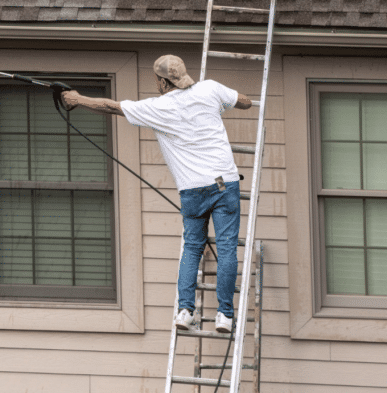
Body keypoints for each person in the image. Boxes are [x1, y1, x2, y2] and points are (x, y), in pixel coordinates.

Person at [62, 55, 253, 333]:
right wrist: (228, 103)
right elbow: (245, 102)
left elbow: (110, 106)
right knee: (226, 250)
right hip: (225, 182)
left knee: (192, 248)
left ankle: (185, 311)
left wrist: (78, 99)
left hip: (192, 190)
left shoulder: (158, 107)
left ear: (162, 81)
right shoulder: (210, 89)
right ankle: (224, 316)